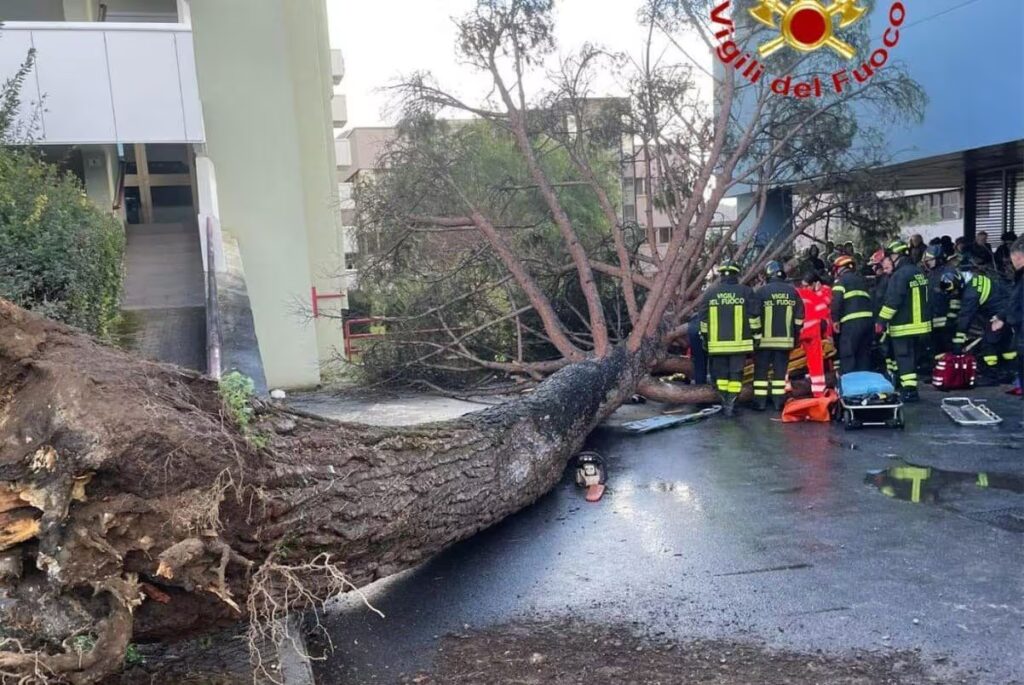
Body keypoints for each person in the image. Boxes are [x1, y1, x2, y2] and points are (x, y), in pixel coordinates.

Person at [699, 260, 761, 417]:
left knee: (721, 375)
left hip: (717, 345)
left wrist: (705, 340)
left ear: (721, 276)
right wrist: (757, 337)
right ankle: (731, 404)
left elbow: (703, 320)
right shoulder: (746, 292)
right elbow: (754, 318)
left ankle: (724, 401)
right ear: (736, 274)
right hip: (739, 345)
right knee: (735, 374)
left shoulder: (710, 293)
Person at [941, 257, 1017, 384]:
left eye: (954, 291)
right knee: (1006, 343)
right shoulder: (972, 279)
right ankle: (1011, 372)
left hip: (999, 314)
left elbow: (965, 318)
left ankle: (992, 374)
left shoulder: (971, 294)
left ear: (959, 283)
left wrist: (958, 342)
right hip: (1007, 309)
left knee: (989, 342)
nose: (953, 293)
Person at [876, 240, 932, 401]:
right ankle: (904, 385)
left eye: (886, 258)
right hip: (922, 326)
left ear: (894, 256)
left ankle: (910, 390)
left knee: (904, 357)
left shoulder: (899, 275)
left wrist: (881, 321)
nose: (885, 262)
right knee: (911, 357)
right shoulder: (918, 272)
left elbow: (893, 302)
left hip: (904, 325)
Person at [752, 261, 804, 412]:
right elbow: (799, 318)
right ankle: (778, 403)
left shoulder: (761, 292)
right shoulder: (792, 292)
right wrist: (795, 335)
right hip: (784, 341)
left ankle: (760, 403)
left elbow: (754, 316)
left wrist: (756, 336)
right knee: (780, 374)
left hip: (764, 342)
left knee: (761, 373)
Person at [831, 255, 874, 373]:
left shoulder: (840, 282)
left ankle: (850, 386)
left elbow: (836, 302)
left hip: (851, 324)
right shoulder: (862, 280)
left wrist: (835, 320)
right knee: (863, 355)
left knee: (848, 354)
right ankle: (864, 386)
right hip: (868, 322)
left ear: (839, 268)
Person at [796, 269, 833, 397]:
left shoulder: (798, 293)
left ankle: (786, 389)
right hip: (813, 332)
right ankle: (819, 391)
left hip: (799, 331)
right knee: (816, 362)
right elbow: (824, 314)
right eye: (803, 285)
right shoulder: (816, 295)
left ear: (815, 283)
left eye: (807, 285)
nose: (804, 288)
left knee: (783, 359)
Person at [922, 244, 959, 359]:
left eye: (930, 260)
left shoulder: (947, 274)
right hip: (933, 319)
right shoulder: (931, 273)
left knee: (945, 348)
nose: (927, 263)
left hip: (945, 320)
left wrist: (951, 318)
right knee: (935, 349)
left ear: (938, 259)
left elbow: (955, 297)